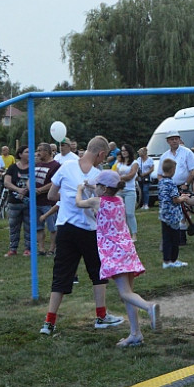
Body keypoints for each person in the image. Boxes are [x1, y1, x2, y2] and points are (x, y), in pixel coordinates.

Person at [40, 135, 125, 335]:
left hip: (65, 228)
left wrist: (69, 197)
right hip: (89, 229)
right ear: (101, 154)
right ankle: (101, 316)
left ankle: (49, 322)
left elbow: (51, 196)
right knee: (97, 272)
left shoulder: (66, 166)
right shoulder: (100, 175)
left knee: (61, 274)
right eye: (103, 158)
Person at [74, 170, 159, 347]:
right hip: (127, 248)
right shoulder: (119, 200)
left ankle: (149, 307)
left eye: (98, 185)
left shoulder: (96, 201)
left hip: (113, 252)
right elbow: (104, 193)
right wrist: (93, 187)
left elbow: (79, 203)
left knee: (125, 293)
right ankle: (135, 334)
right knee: (129, 294)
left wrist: (80, 189)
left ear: (104, 188)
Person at [157, 158, 192, 268]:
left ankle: (166, 261)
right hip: (173, 215)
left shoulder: (161, 181)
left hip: (164, 214)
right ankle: (173, 260)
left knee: (166, 238)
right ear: (172, 169)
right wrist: (184, 198)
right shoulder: (171, 183)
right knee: (174, 239)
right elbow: (175, 199)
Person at [3, 145, 31, 257]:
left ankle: (28, 248)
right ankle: (13, 249)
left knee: (29, 226)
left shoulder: (33, 167)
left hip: (29, 202)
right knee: (13, 226)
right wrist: (18, 189)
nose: (29, 154)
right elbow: (6, 182)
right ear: (20, 154)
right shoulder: (13, 168)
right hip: (14, 202)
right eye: (27, 152)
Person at [33, 143, 61, 255]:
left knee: (52, 227)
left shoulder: (55, 165)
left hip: (48, 202)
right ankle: (41, 248)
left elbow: (54, 183)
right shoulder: (36, 164)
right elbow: (30, 178)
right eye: (37, 150)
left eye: (40, 150)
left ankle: (52, 249)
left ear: (48, 152)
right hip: (36, 201)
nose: (38, 153)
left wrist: (40, 190)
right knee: (38, 226)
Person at [114, 144, 139, 239]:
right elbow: (115, 174)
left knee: (130, 213)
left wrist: (120, 177)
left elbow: (131, 175)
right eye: (122, 151)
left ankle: (134, 233)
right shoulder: (119, 162)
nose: (123, 152)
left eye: (125, 150)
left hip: (130, 190)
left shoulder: (134, 163)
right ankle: (123, 233)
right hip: (119, 191)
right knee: (120, 214)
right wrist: (121, 177)